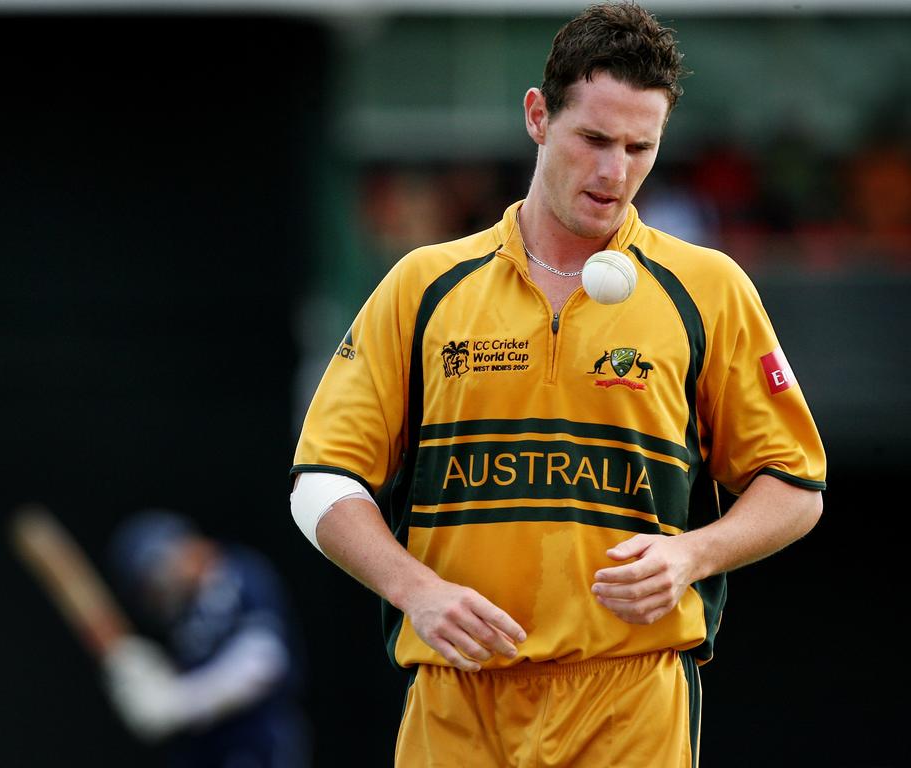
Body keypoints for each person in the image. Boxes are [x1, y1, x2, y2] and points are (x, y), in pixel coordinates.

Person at [290, 3, 826, 766]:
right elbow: (320, 484)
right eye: (595, 139)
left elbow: (796, 487)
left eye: (642, 147)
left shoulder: (709, 289)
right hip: (457, 696)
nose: (616, 173)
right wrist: (415, 589)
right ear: (538, 117)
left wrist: (693, 556)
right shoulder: (425, 285)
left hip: (630, 699)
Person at [104, 509, 309, 768]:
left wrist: (180, 702)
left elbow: (263, 662)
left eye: (161, 570)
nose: (160, 589)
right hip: (204, 751)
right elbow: (173, 678)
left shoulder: (239, 574)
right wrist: (143, 676)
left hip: (258, 741)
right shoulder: (176, 612)